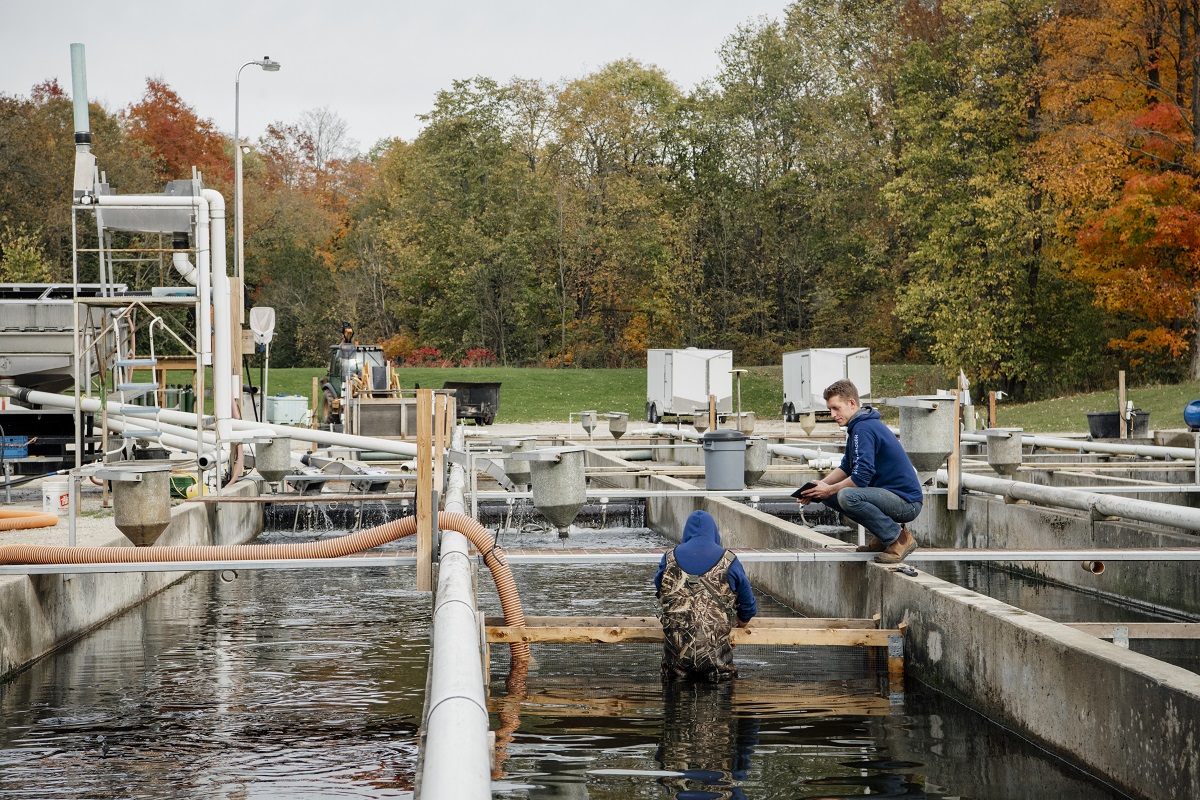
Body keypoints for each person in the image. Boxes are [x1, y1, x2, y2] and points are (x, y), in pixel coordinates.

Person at [798, 379, 923, 564]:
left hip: (906, 502)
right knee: (828, 494)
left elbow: (861, 477)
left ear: (851, 403)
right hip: (889, 497)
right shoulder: (858, 426)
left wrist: (830, 489)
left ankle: (899, 540)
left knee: (847, 496)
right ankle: (883, 536)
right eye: (830, 409)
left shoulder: (863, 428)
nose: (832, 414)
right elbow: (847, 467)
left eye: (836, 408)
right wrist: (820, 487)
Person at [654, 510, 757, 682]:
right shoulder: (729, 560)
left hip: (675, 665)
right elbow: (748, 606)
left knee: (675, 702)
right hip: (717, 665)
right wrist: (740, 623)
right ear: (714, 533)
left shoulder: (669, 558)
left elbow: (660, 589)